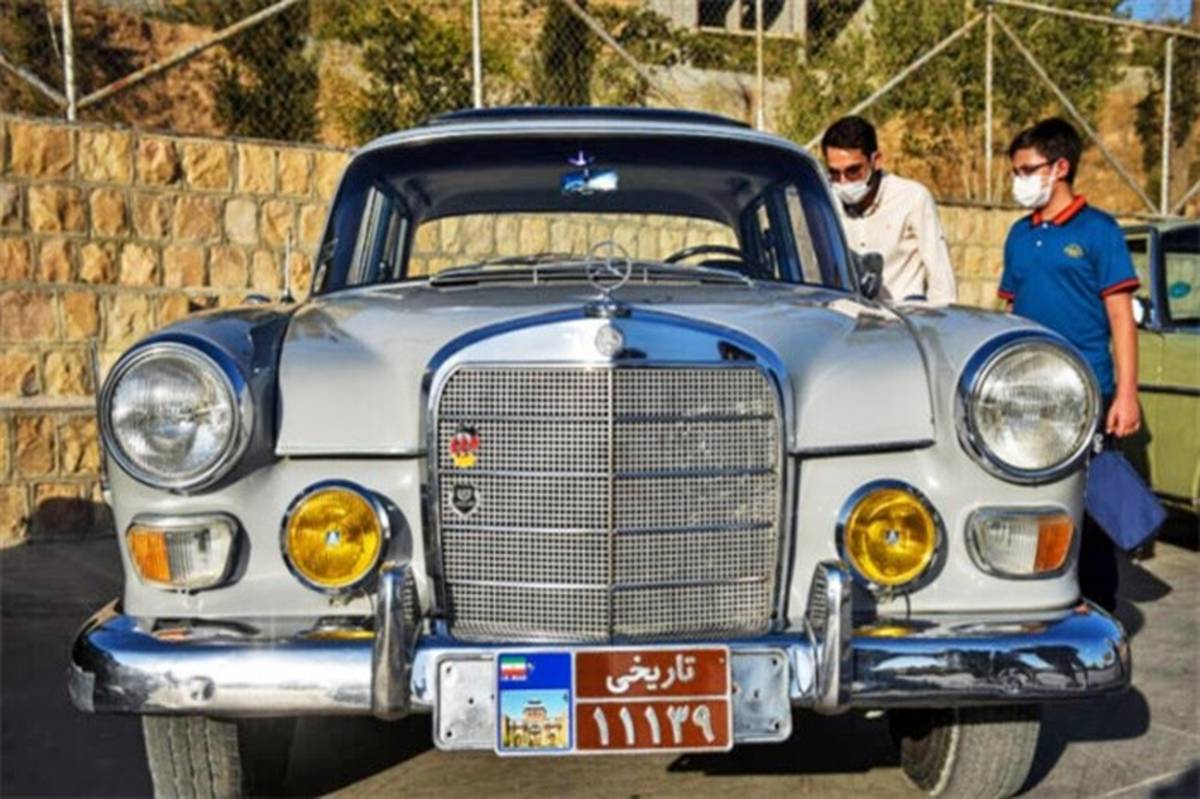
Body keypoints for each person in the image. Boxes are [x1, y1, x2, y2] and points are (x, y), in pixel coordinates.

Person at [999, 117, 1141, 613]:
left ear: (1060, 168)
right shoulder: (1019, 235)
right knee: (1030, 500)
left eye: (1027, 169)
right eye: (1015, 171)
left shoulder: (1099, 231)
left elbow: (1121, 317)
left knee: (1091, 501)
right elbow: (1008, 310)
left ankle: (1098, 605)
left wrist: (1126, 395)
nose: (1018, 180)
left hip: (1088, 390)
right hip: (1027, 394)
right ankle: (1037, 596)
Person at [820, 115, 957, 303]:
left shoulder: (912, 198)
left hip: (903, 311)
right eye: (835, 173)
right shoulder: (827, 202)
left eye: (853, 171)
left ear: (876, 160)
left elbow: (939, 273)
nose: (843, 182)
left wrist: (940, 315)